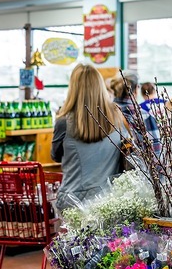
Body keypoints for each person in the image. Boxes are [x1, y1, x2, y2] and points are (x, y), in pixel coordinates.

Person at [51, 64, 126, 212]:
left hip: (73, 202)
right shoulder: (117, 115)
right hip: (110, 200)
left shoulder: (63, 121)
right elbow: (126, 147)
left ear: (73, 88)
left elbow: (55, 156)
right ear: (100, 86)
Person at [109, 70, 162, 158]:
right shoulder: (143, 116)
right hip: (135, 169)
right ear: (136, 89)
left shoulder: (102, 113)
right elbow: (156, 154)